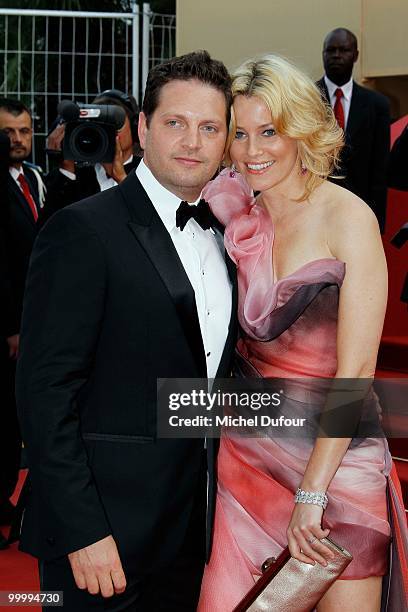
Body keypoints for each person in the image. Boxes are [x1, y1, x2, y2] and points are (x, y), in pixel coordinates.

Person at [16, 50, 236, 611]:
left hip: (193, 532)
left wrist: (342, 416)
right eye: (175, 123)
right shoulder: (83, 231)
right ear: (142, 128)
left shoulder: (228, 238)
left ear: (227, 138)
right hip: (101, 538)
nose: (192, 142)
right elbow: (44, 393)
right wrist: (83, 531)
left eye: (209, 127)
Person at [198, 55, 408, 611]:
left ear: (302, 129)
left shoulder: (348, 217)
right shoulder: (236, 213)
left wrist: (312, 494)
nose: (251, 150)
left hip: (338, 467)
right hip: (248, 458)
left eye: (270, 131)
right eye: (239, 134)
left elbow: (356, 373)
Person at [0, 99, 48, 542]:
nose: (17, 140)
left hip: (32, 322)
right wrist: (11, 326)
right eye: (8, 132)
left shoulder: (34, 178)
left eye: (24, 131)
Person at [317, 28, 390, 233]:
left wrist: (377, 223)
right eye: (330, 50)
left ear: (356, 55)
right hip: (315, 212)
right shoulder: (306, 100)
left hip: (361, 212)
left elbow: (379, 170)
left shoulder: (378, 105)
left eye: (344, 50)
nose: (337, 56)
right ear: (323, 55)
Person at [44, 89, 142, 216]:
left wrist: (122, 179)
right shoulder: (73, 175)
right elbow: (49, 227)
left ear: (135, 129)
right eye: (101, 124)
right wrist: (66, 173)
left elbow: (155, 222)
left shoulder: (150, 172)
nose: (110, 131)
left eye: (117, 123)